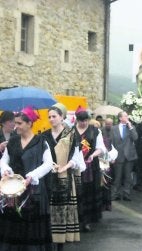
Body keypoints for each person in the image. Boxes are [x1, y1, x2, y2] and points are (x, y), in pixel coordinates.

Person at [0, 106, 54, 250]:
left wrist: (32, 176)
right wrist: (6, 170)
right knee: (13, 223)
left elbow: (48, 164)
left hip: (34, 190)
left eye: (19, 123)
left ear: (29, 123)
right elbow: (4, 160)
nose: (15, 126)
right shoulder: (12, 141)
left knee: (32, 225)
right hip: (14, 189)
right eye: (15, 123)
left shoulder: (41, 142)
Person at [42, 103, 86, 251]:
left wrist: (65, 167)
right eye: (49, 117)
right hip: (49, 177)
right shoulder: (44, 135)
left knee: (62, 210)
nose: (51, 119)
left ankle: (60, 244)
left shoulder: (71, 135)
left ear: (62, 117)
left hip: (65, 176)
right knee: (49, 208)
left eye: (54, 116)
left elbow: (76, 157)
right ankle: (49, 240)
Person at [74, 106, 107, 232]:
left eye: (85, 120)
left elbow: (101, 148)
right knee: (76, 193)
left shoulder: (95, 131)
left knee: (88, 192)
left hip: (90, 167)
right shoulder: (71, 131)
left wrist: (93, 155)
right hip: (75, 166)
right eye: (81, 121)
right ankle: (76, 219)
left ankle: (86, 220)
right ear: (77, 120)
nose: (83, 123)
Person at [111, 111, 138, 201]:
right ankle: (115, 194)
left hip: (129, 155)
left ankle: (126, 194)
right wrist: (111, 156)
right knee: (117, 177)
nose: (127, 117)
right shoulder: (113, 128)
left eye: (127, 116)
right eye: (125, 116)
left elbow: (135, 138)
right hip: (118, 156)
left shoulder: (131, 127)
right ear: (120, 118)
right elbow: (111, 142)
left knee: (128, 177)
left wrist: (130, 127)